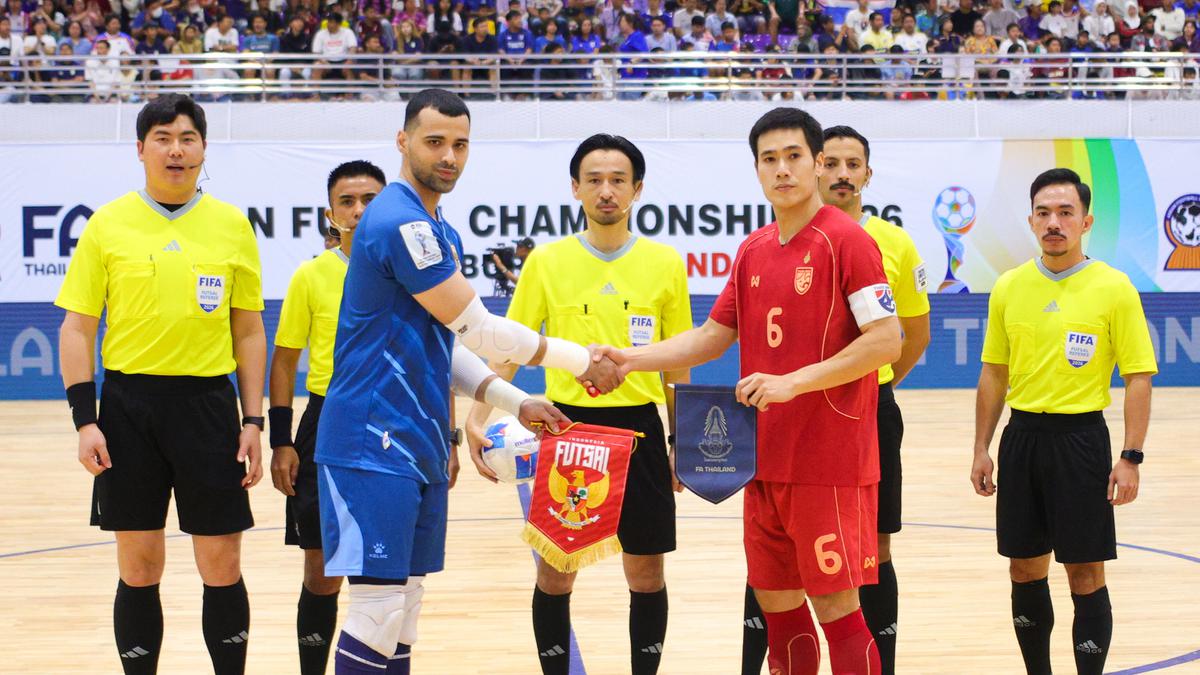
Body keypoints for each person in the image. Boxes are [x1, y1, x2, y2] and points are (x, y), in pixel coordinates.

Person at [314, 88, 620, 674]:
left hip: (416, 439)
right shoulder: (401, 221)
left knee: (402, 609)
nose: (448, 156)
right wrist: (583, 360)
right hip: (369, 441)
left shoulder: (440, 231)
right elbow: (481, 330)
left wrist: (513, 398)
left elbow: (445, 348)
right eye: (434, 142)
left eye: (459, 144)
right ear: (403, 142)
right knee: (377, 611)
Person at [593, 107, 901, 675]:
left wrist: (792, 382)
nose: (782, 170)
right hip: (761, 463)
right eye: (769, 159)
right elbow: (713, 336)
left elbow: (886, 340)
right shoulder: (754, 249)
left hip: (828, 462)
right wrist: (629, 358)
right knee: (778, 610)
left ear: (815, 163)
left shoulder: (848, 242)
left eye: (794, 157)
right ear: (756, 169)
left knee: (838, 611)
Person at [466, 134, 692, 675]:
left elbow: (677, 368)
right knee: (554, 575)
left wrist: (679, 442)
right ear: (575, 188)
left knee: (646, 575)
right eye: (594, 180)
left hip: (639, 431)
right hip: (566, 430)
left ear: (638, 189)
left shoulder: (665, 264)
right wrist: (474, 421)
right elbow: (508, 347)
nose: (606, 190)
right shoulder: (546, 262)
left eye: (618, 180)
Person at [55, 94, 265, 675]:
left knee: (221, 564)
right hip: (127, 409)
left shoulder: (231, 225)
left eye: (188, 137)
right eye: (163, 137)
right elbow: (76, 329)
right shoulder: (107, 224)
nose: (176, 149)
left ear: (203, 148)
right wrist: (85, 418)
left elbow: (248, 331)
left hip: (208, 408)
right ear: (141, 148)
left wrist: (254, 422)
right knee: (139, 567)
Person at [971, 168, 1156, 675]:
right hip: (1022, 439)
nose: (1054, 222)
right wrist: (981, 447)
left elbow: (1138, 377)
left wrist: (1131, 457)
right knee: (1024, 567)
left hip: (1082, 442)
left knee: (1084, 571)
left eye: (1066, 213)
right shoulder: (1008, 287)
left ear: (1086, 221)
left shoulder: (1115, 288)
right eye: (1044, 213)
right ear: (1031, 221)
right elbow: (994, 372)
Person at [268, 161, 386, 675]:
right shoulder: (311, 275)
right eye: (348, 202)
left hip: (392, 424)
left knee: (386, 572)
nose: (359, 212)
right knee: (321, 571)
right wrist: (281, 439)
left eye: (371, 201)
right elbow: (284, 358)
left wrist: (446, 436)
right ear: (330, 213)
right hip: (326, 423)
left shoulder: (410, 271)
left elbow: (436, 356)